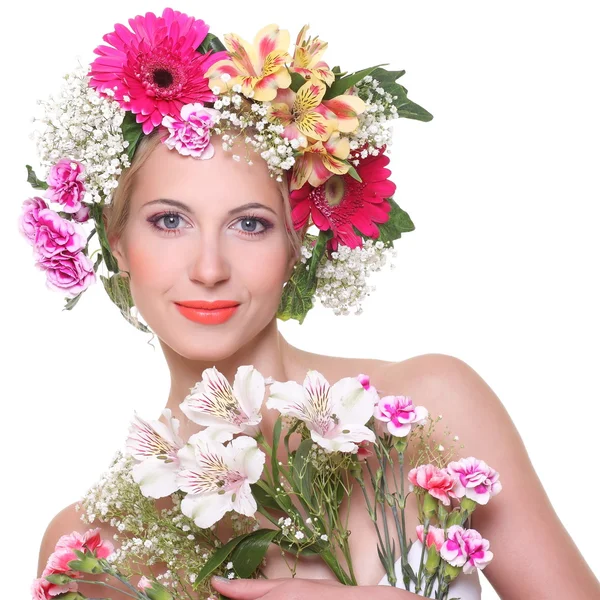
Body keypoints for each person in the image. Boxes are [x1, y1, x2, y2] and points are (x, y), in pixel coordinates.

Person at [21, 6, 599, 600]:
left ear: (298, 246)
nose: (209, 269)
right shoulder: (94, 549)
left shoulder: (431, 409)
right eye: (169, 221)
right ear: (116, 242)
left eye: (250, 225)